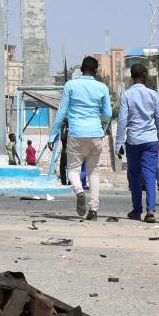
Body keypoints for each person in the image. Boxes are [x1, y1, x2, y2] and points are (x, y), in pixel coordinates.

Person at [50, 55, 112, 221]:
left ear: (81, 69)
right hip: (96, 134)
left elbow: (61, 112)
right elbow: (108, 114)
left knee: (73, 170)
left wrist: (53, 134)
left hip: (76, 133)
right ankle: (94, 210)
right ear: (96, 71)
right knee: (93, 172)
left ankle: (79, 191)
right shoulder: (102, 88)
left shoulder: (70, 85)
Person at [116, 62, 159, 224]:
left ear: (132, 76)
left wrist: (119, 144)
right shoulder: (153, 94)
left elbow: (122, 121)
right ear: (144, 75)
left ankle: (137, 210)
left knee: (134, 176)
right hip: (150, 140)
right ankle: (150, 210)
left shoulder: (126, 95)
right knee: (150, 175)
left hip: (133, 141)